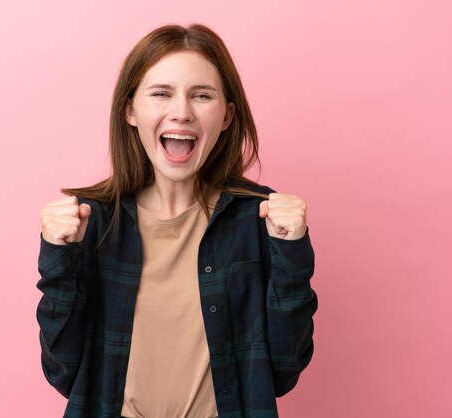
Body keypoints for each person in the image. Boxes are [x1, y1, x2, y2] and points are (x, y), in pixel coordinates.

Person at [36, 23, 317, 418]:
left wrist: (292, 254)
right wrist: (58, 258)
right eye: (161, 94)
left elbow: (284, 371)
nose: (182, 112)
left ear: (226, 116)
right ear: (131, 110)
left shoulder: (260, 219)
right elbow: (61, 371)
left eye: (201, 96)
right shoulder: (88, 221)